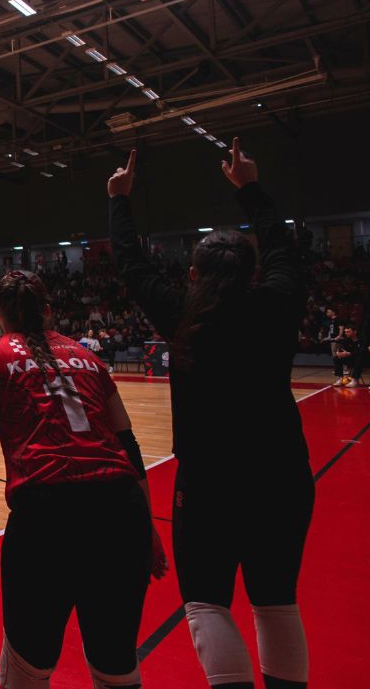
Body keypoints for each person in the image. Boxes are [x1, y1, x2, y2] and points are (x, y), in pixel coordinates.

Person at [108, 141, 313, 689]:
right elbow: (284, 250)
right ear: (251, 273)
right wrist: (251, 189)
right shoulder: (277, 301)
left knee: (206, 603)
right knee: (276, 603)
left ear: (193, 276)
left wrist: (119, 201)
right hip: (284, 473)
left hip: (210, 483)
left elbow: (131, 264)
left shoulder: (181, 313)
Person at [0, 270, 166, 688]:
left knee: (27, 668)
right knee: (116, 664)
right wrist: (150, 529)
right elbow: (129, 445)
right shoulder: (89, 357)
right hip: (121, 512)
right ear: (48, 312)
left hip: (45, 517)